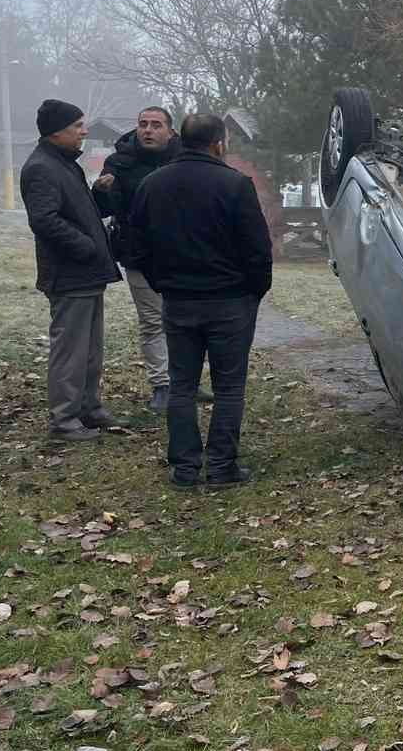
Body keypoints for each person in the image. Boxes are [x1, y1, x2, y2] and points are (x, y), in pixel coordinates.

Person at [128, 113, 272, 488]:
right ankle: (222, 467)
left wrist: (162, 283)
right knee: (229, 388)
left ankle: (185, 468)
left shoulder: (152, 184)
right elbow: (257, 249)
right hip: (230, 301)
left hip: (178, 300)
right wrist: (254, 290)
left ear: (181, 138)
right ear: (219, 142)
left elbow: (134, 244)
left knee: (182, 385)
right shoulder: (236, 185)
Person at [18, 99, 122, 442]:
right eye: (78, 126)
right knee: (71, 350)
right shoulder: (41, 168)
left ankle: (88, 408)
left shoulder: (64, 164)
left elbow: (73, 211)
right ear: (56, 132)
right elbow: (44, 220)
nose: (84, 131)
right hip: (70, 274)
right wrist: (86, 246)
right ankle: (64, 420)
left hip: (87, 274)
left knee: (91, 348)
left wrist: (96, 193)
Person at [93, 106, 182, 412]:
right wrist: (101, 191)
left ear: (170, 131)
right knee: (153, 321)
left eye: (156, 125)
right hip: (139, 253)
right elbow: (103, 209)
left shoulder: (185, 157)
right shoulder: (119, 162)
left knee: (185, 321)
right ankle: (161, 385)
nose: (148, 130)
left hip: (184, 253)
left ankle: (185, 382)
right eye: (143, 124)